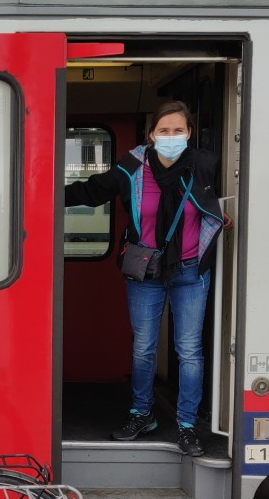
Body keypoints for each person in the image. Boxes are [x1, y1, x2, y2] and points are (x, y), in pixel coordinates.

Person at [64, 100, 229, 456]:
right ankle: (142, 414)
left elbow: (212, 203)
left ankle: (186, 426)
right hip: (146, 272)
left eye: (179, 131)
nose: (172, 137)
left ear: (189, 133)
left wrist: (219, 216)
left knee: (189, 351)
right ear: (152, 135)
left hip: (190, 271)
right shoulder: (133, 167)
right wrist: (41, 193)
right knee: (144, 348)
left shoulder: (204, 165)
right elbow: (94, 191)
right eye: (164, 131)